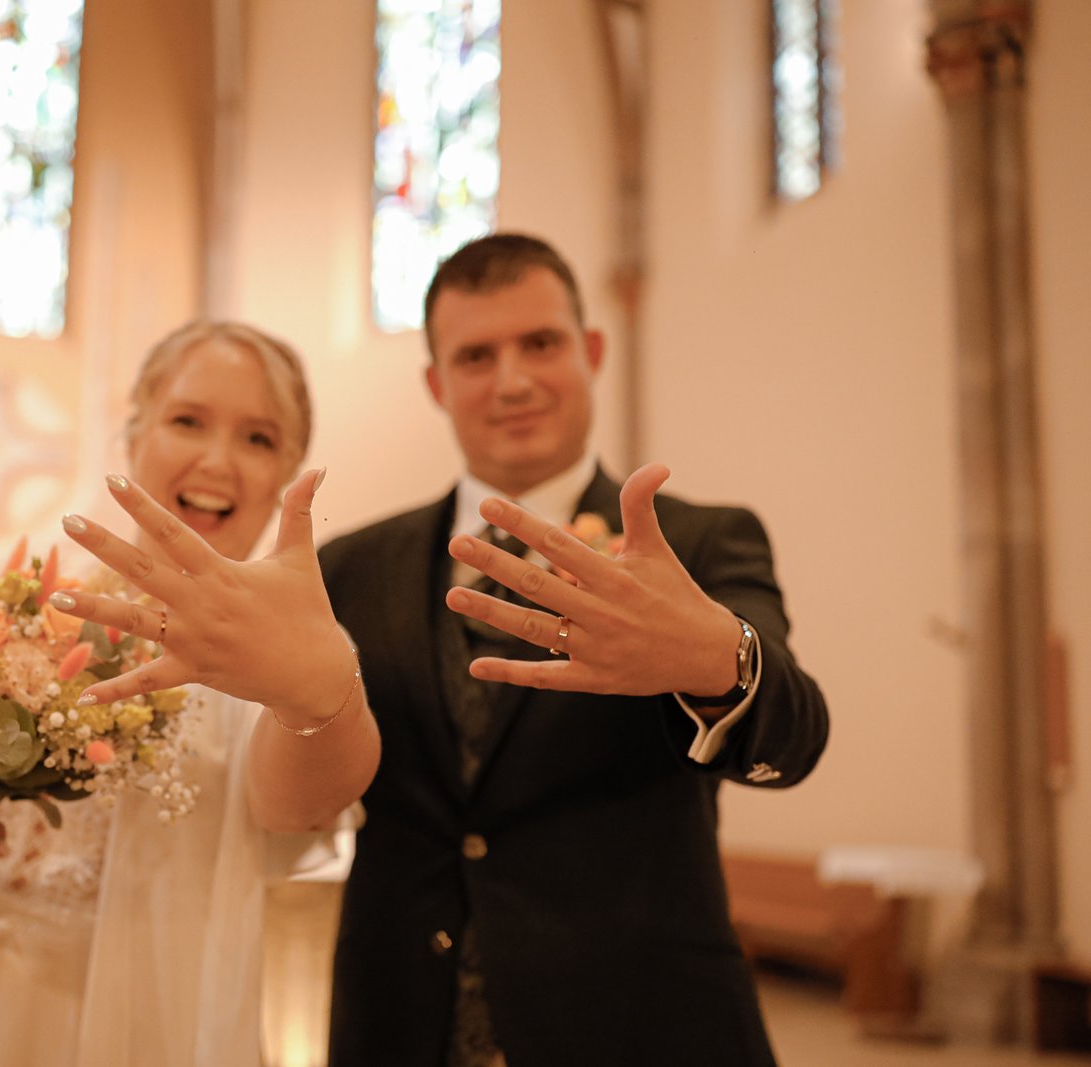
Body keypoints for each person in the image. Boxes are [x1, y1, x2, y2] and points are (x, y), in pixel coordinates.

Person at [0, 321, 379, 1067]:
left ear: (288, 473)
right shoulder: (6, 612)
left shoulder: (289, 661)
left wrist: (314, 686)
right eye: (187, 420)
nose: (216, 459)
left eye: (258, 439)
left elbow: (293, 806)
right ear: (134, 436)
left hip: (153, 1030)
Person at [318, 233, 829, 1067]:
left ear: (590, 351)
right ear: (436, 383)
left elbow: (796, 736)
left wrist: (713, 658)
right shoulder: (351, 567)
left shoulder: (698, 542)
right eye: (476, 355)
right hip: (401, 1018)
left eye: (541, 343)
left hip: (640, 1019)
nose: (512, 380)